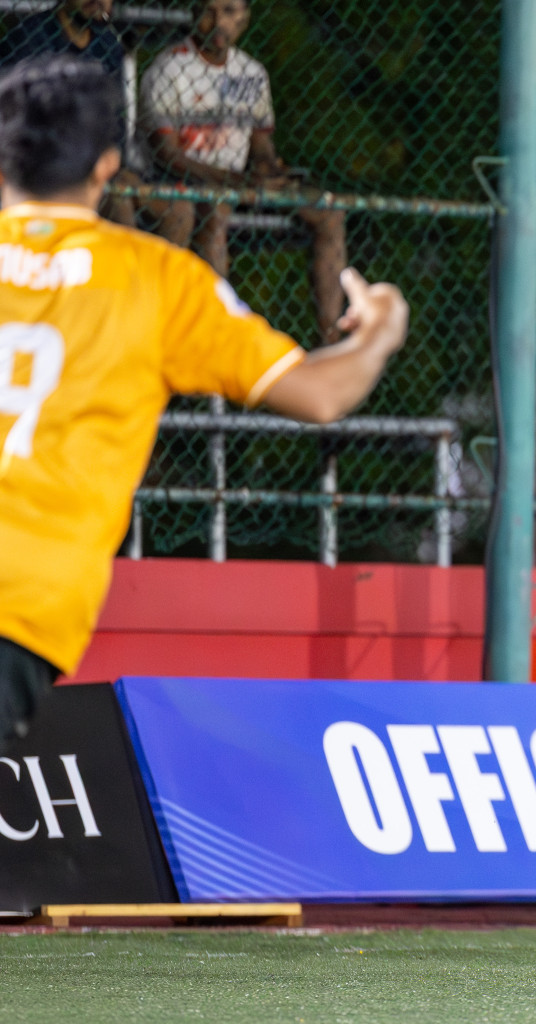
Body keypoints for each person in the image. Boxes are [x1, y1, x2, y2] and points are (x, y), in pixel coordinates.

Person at [0, 55, 409, 750]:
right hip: (24, 600)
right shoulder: (154, 278)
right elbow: (319, 394)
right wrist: (378, 333)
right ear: (105, 166)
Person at [140, 0, 347, 342]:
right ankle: (214, 333)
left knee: (329, 211)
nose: (219, 21)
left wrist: (269, 169)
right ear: (195, 14)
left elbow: (262, 145)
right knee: (216, 210)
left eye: (230, 11)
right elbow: (168, 155)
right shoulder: (169, 69)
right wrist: (236, 180)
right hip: (190, 182)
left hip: (242, 183)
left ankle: (330, 338)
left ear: (245, 18)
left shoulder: (252, 73)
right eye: (210, 11)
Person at [0, 0, 172, 230]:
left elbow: (115, 120)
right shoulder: (30, 37)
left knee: (177, 210)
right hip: (45, 162)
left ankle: (147, 265)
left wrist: (116, 165)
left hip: (96, 161)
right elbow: (15, 121)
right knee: (119, 204)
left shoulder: (107, 43)